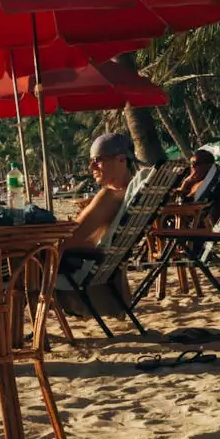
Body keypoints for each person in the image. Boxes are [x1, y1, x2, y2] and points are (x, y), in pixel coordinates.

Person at [54, 133, 146, 317]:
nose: (91, 167)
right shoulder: (126, 195)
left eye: (98, 160)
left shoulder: (108, 196)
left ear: (121, 159)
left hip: (70, 267)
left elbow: (68, 241)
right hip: (94, 266)